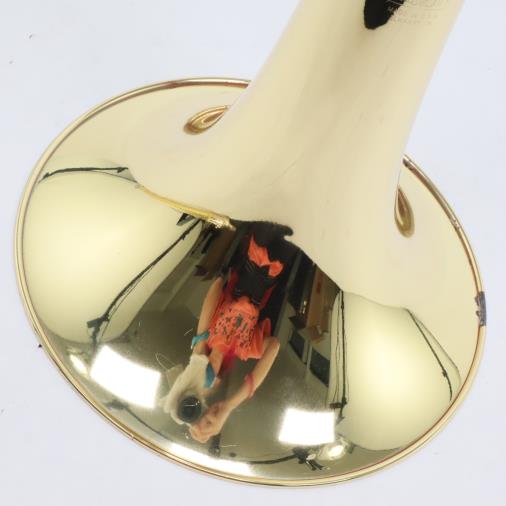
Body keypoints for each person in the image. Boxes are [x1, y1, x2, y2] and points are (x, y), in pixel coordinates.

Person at [160, 222, 294, 443]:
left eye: (205, 376)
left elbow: (216, 287)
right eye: (212, 379)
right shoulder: (244, 348)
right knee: (293, 227)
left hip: (251, 256)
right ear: (220, 380)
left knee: (270, 221)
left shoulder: (209, 336)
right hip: (273, 270)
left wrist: (199, 349)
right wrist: (230, 405)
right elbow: (274, 346)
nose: (210, 374)